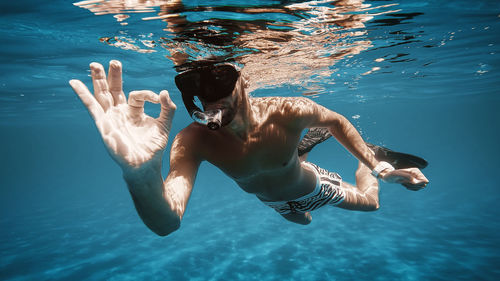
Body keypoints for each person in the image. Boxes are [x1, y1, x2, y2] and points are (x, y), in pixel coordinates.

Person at [69, 60, 429, 236]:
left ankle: (376, 162)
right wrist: (141, 175)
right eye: (198, 86)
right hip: (273, 200)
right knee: (301, 222)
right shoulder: (193, 140)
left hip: (310, 186)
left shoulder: (288, 110)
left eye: (221, 79)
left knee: (372, 203)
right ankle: (300, 151)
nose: (212, 96)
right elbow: (167, 223)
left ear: (245, 80)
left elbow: (336, 122)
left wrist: (377, 166)